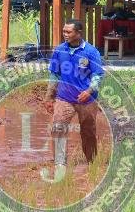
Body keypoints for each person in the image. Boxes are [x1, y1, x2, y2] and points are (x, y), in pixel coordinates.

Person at [43, 20, 104, 175]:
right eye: (64, 31)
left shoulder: (91, 52)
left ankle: (91, 161)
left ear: (78, 33)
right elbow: (55, 74)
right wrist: (49, 96)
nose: (65, 34)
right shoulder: (59, 50)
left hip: (87, 99)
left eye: (68, 32)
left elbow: (97, 75)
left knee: (88, 131)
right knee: (58, 127)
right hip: (64, 98)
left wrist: (89, 91)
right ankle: (60, 163)